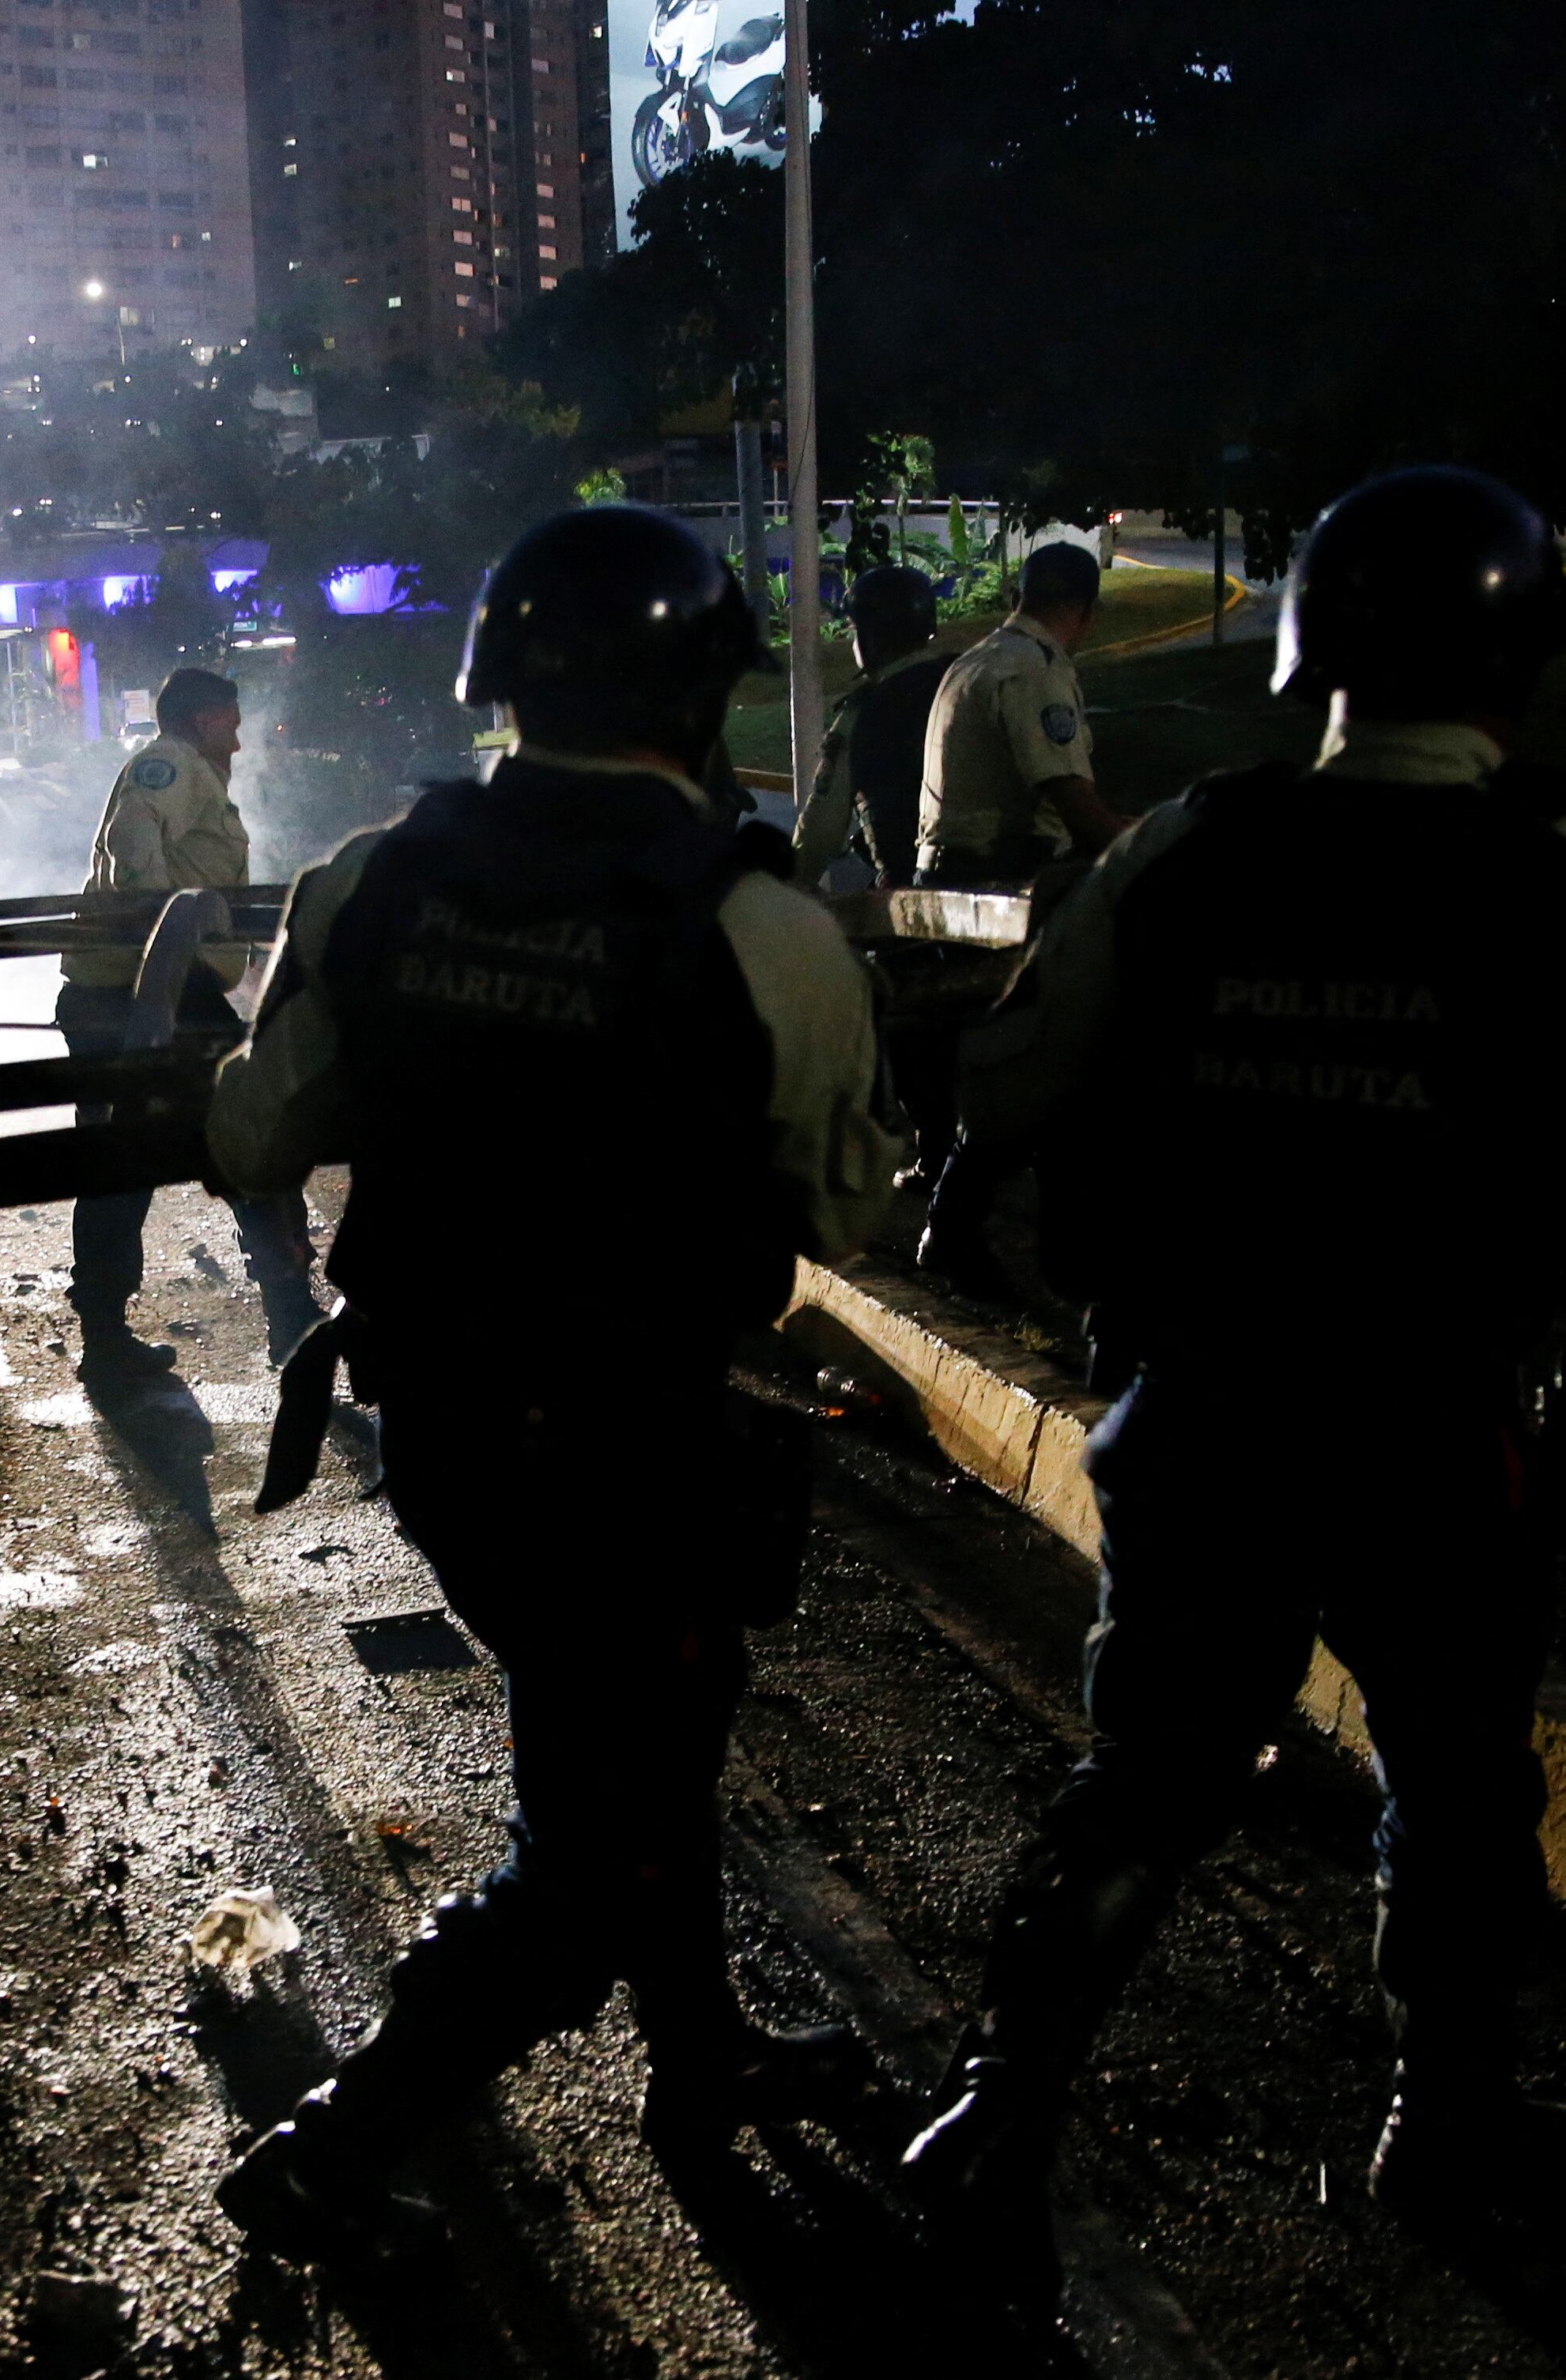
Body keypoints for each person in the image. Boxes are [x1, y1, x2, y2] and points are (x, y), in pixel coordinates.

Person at [897, 466, 1566, 2268]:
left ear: (1309, 647)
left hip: (1208, 1400)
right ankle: (1445, 2123)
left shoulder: (1185, 848)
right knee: (1459, 1774)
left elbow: (1010, 1087)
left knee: (1151, 1772)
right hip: (1438, 1417)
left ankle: (1001, 2105)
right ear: (1520, 657)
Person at [205, 505, 910, 2260]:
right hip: (628, 1434)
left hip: (442, 1426)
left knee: (633, 1748)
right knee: (592, 1842)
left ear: (498, 680)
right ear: (702, 694)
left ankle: (704, 2062)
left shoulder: (368, 875)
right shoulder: (760, 927)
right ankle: (333, 2142)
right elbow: (840, 1206)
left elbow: (250, 1126)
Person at [56, 665, 326, 1378]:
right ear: (206, 718)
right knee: (238, 1136)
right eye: (232, 720)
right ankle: (290, 1320)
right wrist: (164, 935)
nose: (239, 736)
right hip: (147, 992)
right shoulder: (166, 763)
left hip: (150, 988)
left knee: (128, 1161)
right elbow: (133, 850)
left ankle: (109, 1336)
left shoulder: (189, 769)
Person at [911, 540, 1130, 884]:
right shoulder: (1033, 670)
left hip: (949, 872)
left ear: (1018, 599)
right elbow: (1077, 809)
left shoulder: (977, 659)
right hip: (997, 880)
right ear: (1088, 612)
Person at [791, 563, 945, 889]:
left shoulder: (863, 714)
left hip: (911, 896)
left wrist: (789, 886)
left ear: (869, 637)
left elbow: (821, 831)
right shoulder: (960, 684)